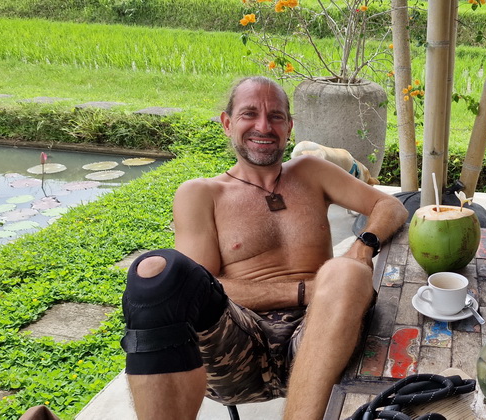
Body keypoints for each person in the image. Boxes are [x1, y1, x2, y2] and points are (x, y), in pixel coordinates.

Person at [120, 76, 408, 420]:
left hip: (325, 332)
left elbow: (391, 207)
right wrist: (306, 290)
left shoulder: (312, 172)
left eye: (275, 116)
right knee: (155, 271)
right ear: (227, 123)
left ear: (289, 127)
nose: (263, 126)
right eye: (249, 114)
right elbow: (203, 289)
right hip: (237, 348)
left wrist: (363, 246)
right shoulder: (202, 194)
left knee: (346, 270)